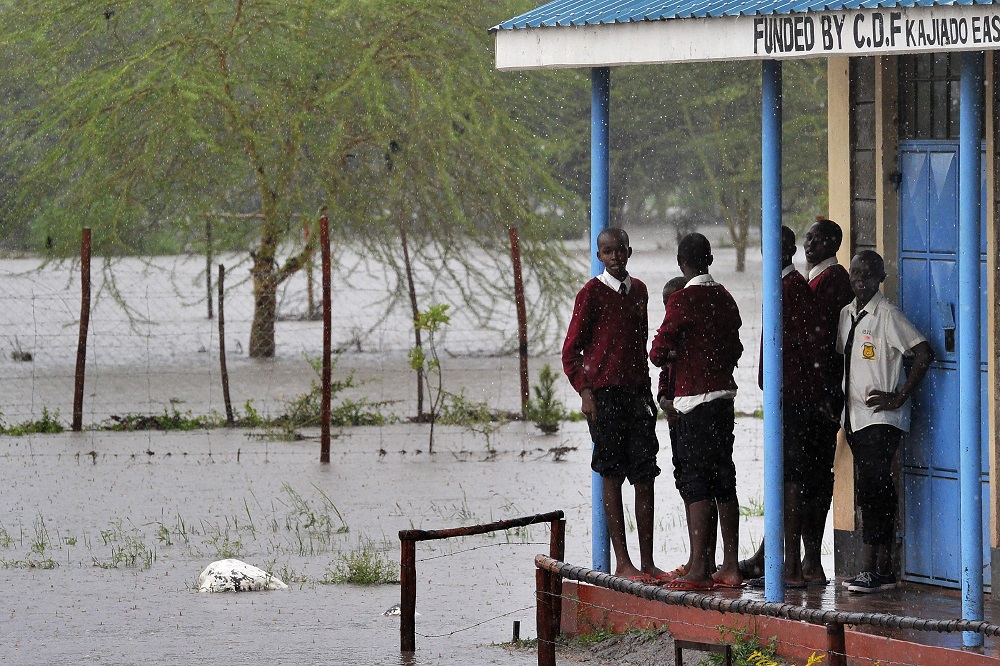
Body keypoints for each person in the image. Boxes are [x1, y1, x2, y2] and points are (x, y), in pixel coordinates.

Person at [562, 227, 667, 584]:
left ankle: (648, 562)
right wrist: (585, 392)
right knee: (611, 474)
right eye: (608, 252)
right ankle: (623, 562)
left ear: (629, 251)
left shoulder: (639, 291)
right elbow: (570, 352)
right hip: (604, 396)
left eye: (620, 250)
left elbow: (640, 342)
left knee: (645, 473)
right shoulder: (590, 294)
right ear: (599, 256)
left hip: (637, 394)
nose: (615, 256)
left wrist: (649, 392)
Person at [649, 233, 743, 590]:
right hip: (723, 399)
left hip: (694, 402)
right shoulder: (726, 298)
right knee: (724, 479)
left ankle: (700, 571)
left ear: (681, 262)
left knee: (695, 481)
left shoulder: (683, 300)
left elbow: (658, 352)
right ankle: (730, 567)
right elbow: (735, 347)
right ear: (710, 259)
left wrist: (678, 355)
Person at [838, 250, 934, 593]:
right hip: (855, 418)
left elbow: (923, 352)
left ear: (880, 278)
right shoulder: (847, 315)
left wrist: (899, 396)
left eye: (866, 275)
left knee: (876, 490)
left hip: (882, 419)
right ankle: (878, 568)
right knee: (869, 489)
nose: (858, 281)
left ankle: (877, 568)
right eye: (854, 274)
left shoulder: (888, 315)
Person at [739, 226, 824, 588]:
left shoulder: (791, 290)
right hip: (787, 398)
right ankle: (776, 559)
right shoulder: (787, 287)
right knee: (787, 479)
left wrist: (795, 391)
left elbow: (807, 350)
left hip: (793, 401)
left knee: (790, 481)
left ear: (788, 250)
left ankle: (788, 567)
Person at [801, 219, 854, 584]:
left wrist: (823, 393)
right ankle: (801, 557)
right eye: (808, 237)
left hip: (821, 396)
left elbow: (822, 343)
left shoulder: (832, 281)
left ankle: (810, 559)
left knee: (813, 476)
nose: (809, 244)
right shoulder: (816, 279)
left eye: (817, 239)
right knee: (806, 475)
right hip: (818, 392)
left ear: (833, 243)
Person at [655, 276, 708, 581]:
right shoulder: (670, 336)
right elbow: (664, 372)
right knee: (686, 483)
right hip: (676, 415)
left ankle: (702, 559)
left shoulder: (689, 334)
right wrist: (664, 399)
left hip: (693, 411)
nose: (669, 308)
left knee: (700, 484)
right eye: (665, 304)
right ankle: (695, 557)